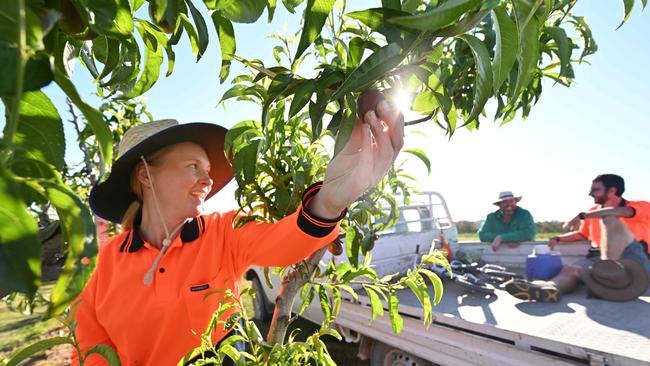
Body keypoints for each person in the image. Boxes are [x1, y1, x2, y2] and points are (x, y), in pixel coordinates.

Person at [72, 99, 405, 365]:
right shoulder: (103, 267)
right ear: (145, 175)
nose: (207, 180)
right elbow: (90, 353)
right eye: (193, 167)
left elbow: (284, 241)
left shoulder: (221, 232)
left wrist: (330, 201)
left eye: (206, 169)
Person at [505, 174, 650, 302]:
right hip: (598, 257)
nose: (590, 193)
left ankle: (610, 274)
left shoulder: (640, 206)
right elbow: (582, 234)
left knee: (609, 220)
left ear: (612, 191)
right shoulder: (593, 211)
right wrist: (558, 239)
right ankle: (548, 289)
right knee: (571, 269)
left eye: (595, 190)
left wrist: (583, 216)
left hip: (632, 259)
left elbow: (624, 211)